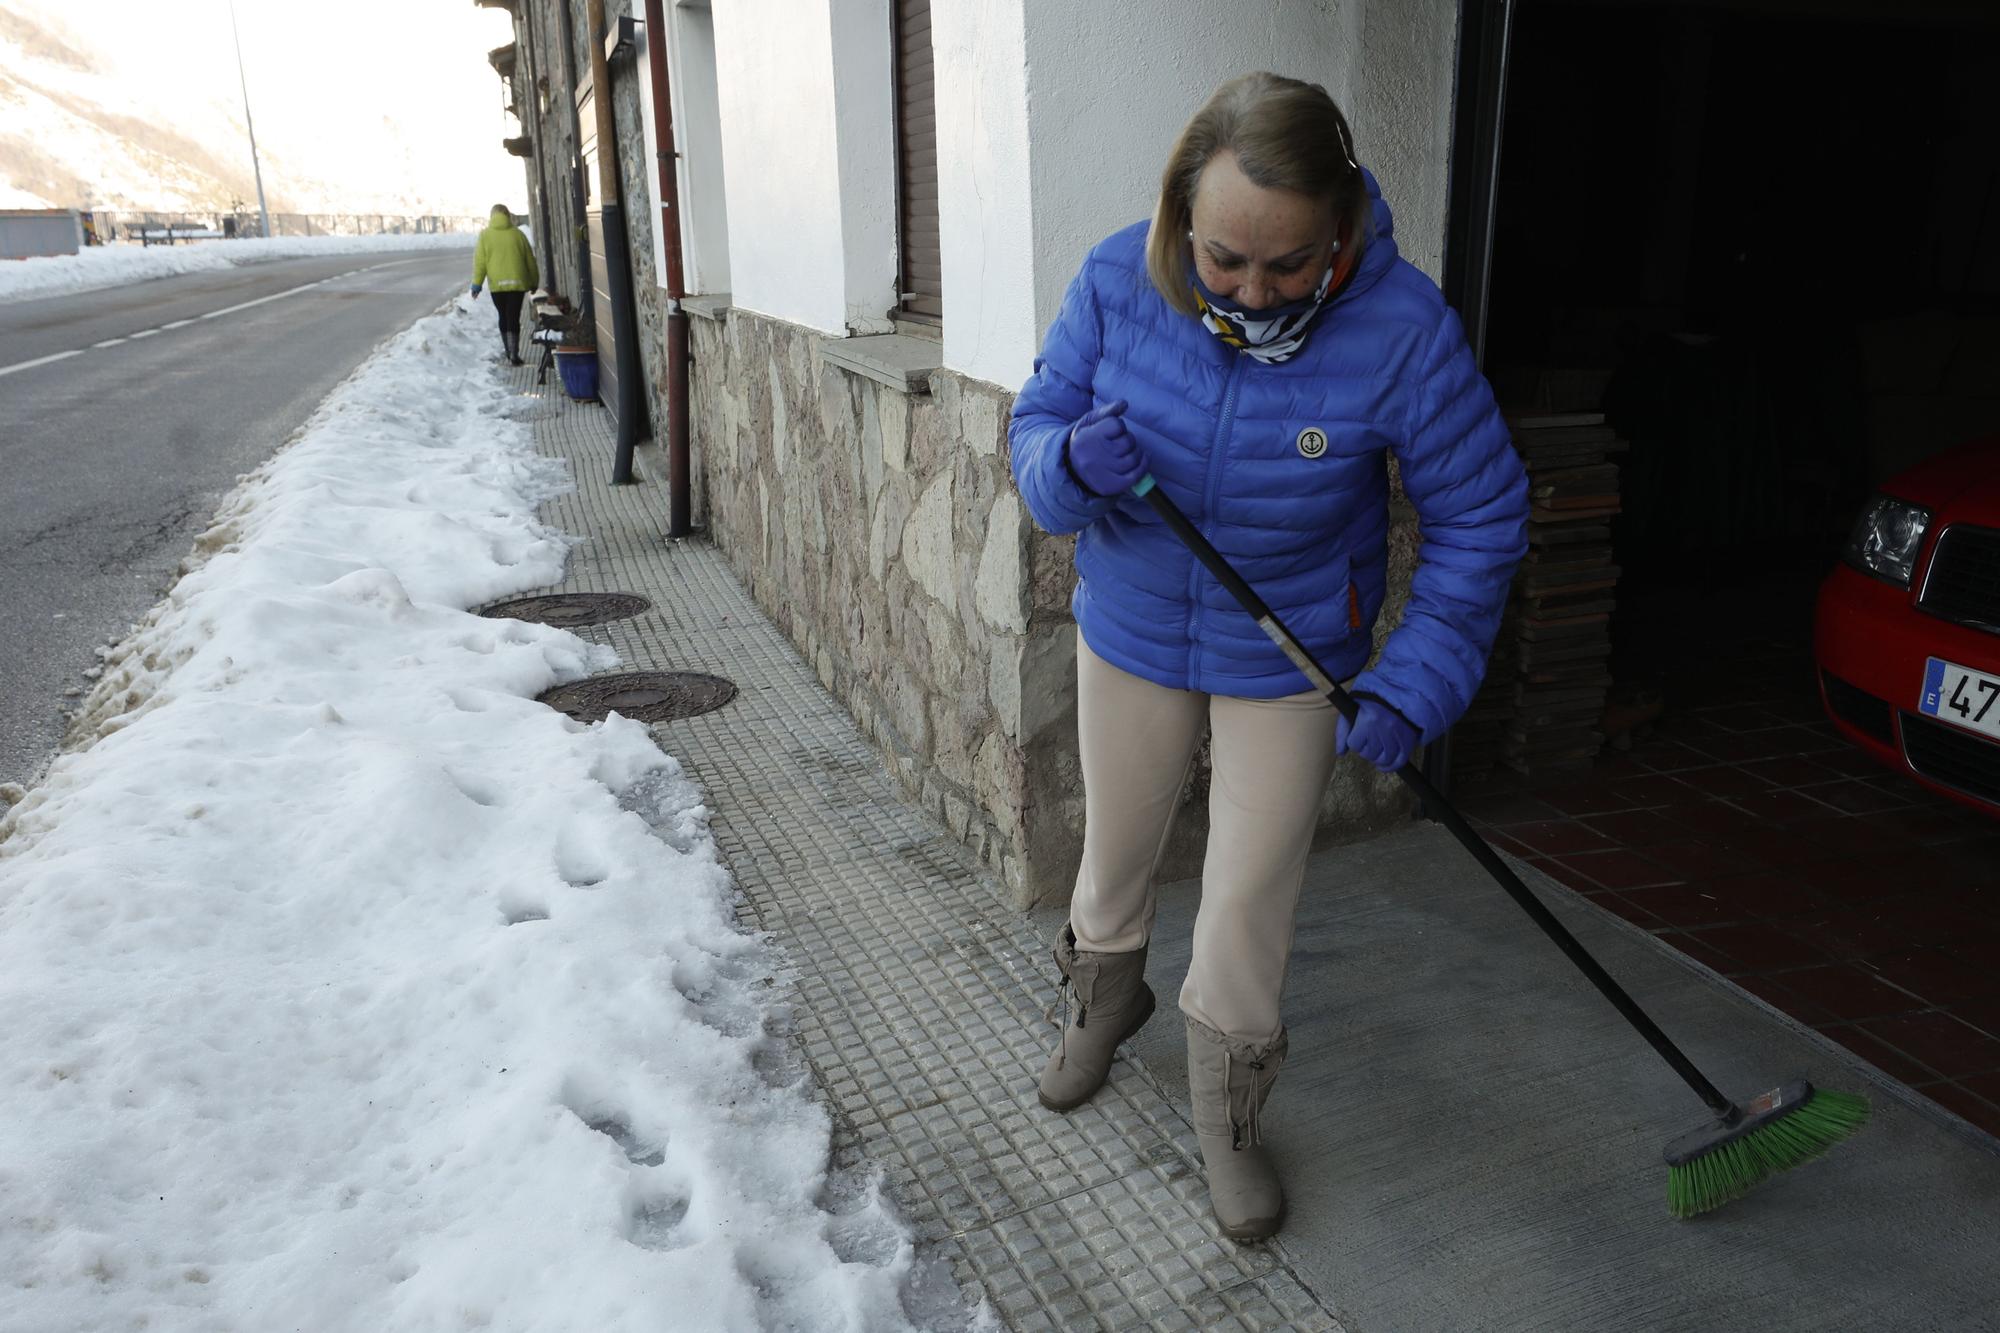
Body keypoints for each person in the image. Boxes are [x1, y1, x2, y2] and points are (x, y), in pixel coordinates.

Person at [1009, 72, 1529, 1242]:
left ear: (1340, 228)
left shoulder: (1402, 329)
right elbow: (1034, 426)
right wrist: (1065, 468)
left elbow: (1480, 513)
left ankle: (1224, 1116)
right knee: (1115, 847)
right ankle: (1102, 1003)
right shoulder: (1112, 277)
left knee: (1246, 901)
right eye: (1222, 261)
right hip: (1134, 625)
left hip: (1289, 650)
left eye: (1288, 266)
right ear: (1178, 222)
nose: (1251, 292)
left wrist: (1417, 675)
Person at [470, 205, 539, 366]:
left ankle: (508, 351)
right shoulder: (518, 235)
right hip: (517, 284)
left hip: (497, 286)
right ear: (508, 215)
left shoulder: (485, 236)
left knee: (503, 315)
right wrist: (534, 282)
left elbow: (480, 264)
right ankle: (514, 354)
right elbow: (530, 261)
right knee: (513, 317)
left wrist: (477, 285)